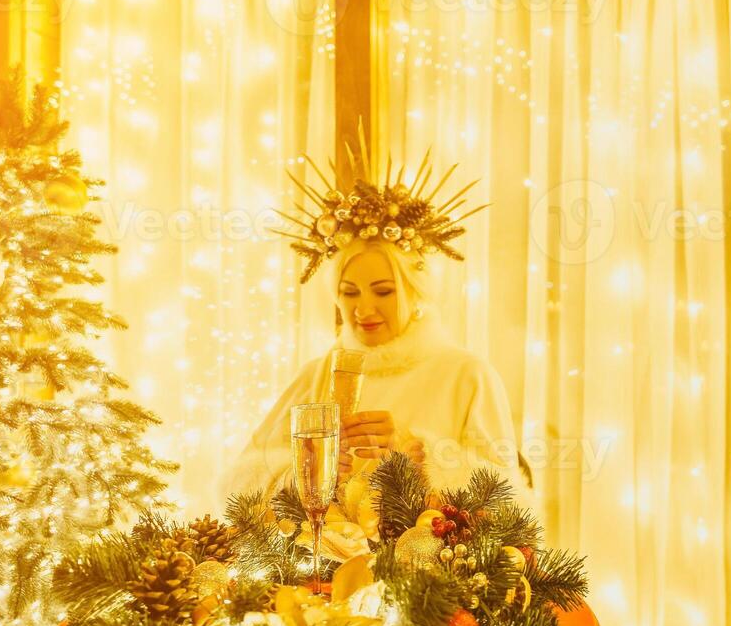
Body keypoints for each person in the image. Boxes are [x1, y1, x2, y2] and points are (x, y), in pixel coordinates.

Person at [222, 154, 532, 507]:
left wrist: (423, 458)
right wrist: (300, 474)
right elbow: (237, 486)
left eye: (383, 292)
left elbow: (512, 507)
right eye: (349, 293)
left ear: (415, 292)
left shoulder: (466, 375)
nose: (363, 310)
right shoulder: (318, 375)